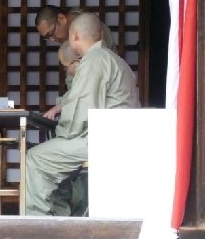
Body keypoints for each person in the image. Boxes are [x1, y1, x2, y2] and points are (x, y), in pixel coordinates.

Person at [26, 12, 140, 216]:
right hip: (123, 135)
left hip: (104, 139)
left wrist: (59, 130)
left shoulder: (93, 61)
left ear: (75, 36)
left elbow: (80, 111)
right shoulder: (115, 59)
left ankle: (40, 222)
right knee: (54, 156)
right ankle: (61, 220)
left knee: (36, 157)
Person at [34, 5, 115, 50]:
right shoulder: (68, 36)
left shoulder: (89, 27)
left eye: (51, 33)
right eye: (47, 37)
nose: (52, 39)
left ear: (61, 18)